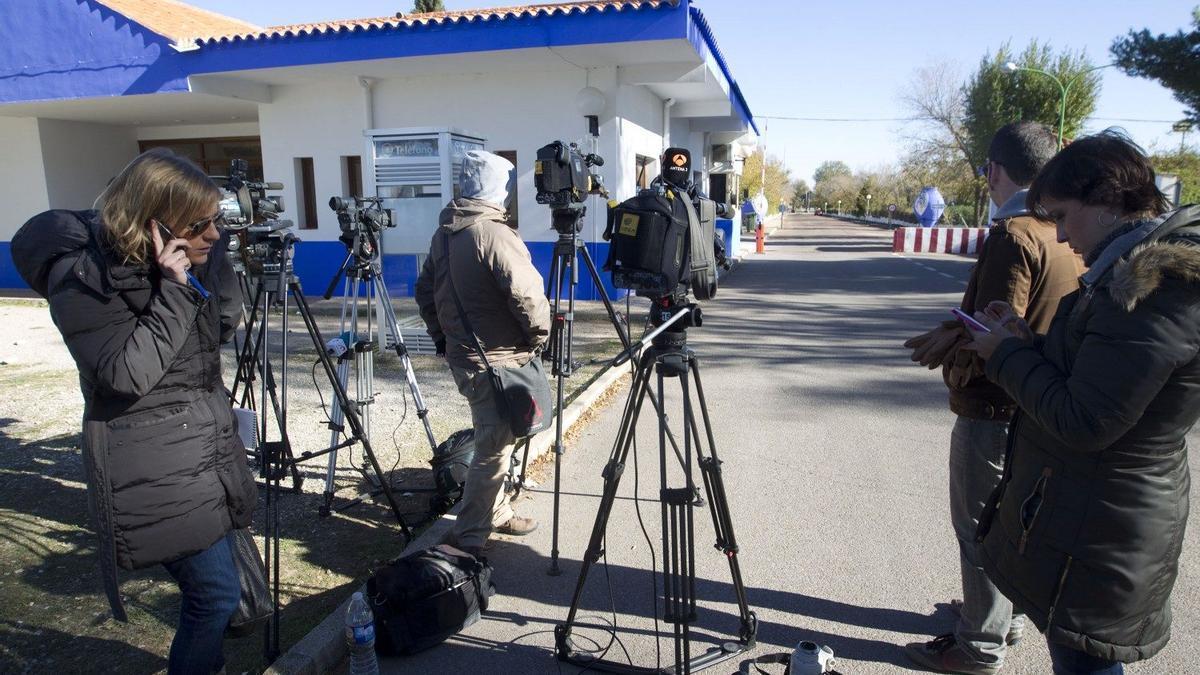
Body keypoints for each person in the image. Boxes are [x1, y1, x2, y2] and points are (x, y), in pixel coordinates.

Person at [10, 148, 254, 675]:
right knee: (213, 596)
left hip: (201, 445)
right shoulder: (81, 278)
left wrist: (216, 264)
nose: (212, 233)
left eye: (217, 222)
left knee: (218, 592)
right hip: (152, 461)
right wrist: (173, 291)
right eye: (200, 224)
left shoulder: (180, 261)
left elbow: (221, 330)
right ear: (154, 221)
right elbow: (124, 374)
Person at [965, 131, 1200, 674]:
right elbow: (1095, 374)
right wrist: (1030, 346)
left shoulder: (1149, 292)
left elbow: (1085, 418)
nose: (1063, 237)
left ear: (1110, 200)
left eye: (1064, 215)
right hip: (1094, 512)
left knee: (1084, 661)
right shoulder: (1122, 279)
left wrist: (1005, 357)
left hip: (1106, 525)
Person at [903, 121, 1083, 674]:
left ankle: (979, 645)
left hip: (995, 405)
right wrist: (954, 328)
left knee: (979, 525)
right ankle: (1003, 618)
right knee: (1013, 525)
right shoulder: (1064, 228)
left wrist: (956, 338)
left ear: (994, 172)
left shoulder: (1014, 234)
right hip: (1038, 401)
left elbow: (1001, 324)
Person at [415, 150, 551, 558]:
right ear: (496, 190)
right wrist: (540, 336)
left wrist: (443, 338)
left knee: (497, 441)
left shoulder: (446, 233)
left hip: (470, 361)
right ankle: (470, 536)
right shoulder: (493, 233)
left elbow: (425, 293)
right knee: (492, 450)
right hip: (498, 363)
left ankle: (499, 511)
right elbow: (529, 298)